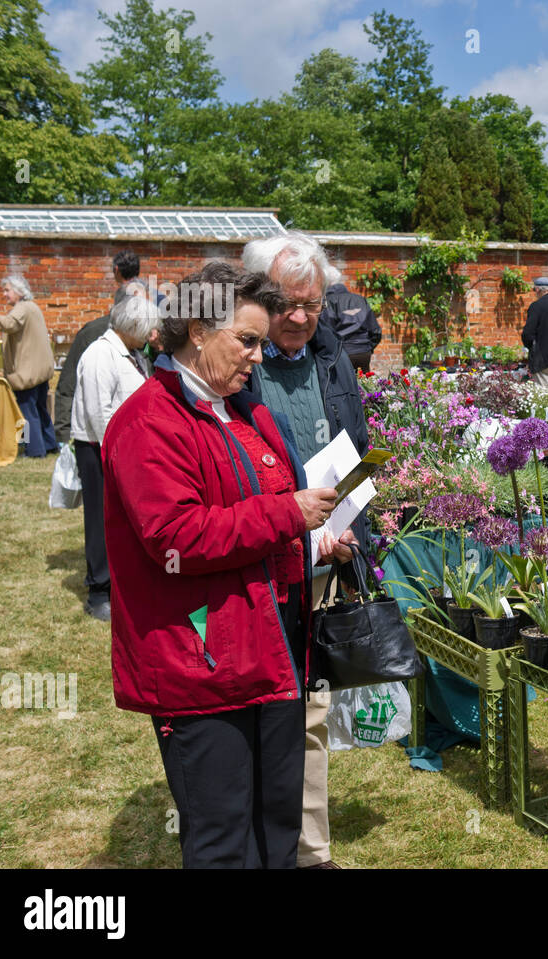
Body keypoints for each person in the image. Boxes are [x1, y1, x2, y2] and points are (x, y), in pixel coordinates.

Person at [104, 263, 349, 868]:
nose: (259, 358)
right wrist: (288, 517)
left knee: (275, 826)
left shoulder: (244, 412)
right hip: (202, 665)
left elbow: (258, 517)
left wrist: (314, 542)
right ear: (195, 330)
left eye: (260, 342)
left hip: (272, 652)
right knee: (223, 841)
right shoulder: (147, 423)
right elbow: (176, 538)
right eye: (247, 340)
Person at [242, 230, 364, 871]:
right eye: (287, 303)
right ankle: (254, 841)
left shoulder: (330, 357)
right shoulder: (236, 363)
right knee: (256, 712)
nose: (298, 317)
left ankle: (309, 853)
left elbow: (358, 446)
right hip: (254, 562)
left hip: (322, 560)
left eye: (312, 304)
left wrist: (349, 526)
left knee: (312, 710)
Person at [71, 294, 160, 622]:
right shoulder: (100, 354)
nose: (153, 335)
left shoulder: (132, 353)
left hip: (125, 450)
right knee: (99, 519)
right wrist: (115, 454)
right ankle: (98, 590)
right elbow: (99, 411)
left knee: (122, 520)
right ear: (134, 326)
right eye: (148, 328)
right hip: (100, 449)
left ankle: (120, 582)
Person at [0, 275, 58, 457]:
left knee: (26, 413)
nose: (4, 294)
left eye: (7, 290)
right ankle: (50, 444)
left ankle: (34, 450)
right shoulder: (32, 307)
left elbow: (8, 324)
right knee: (41, 409)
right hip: (40, 371)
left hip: (27, 374)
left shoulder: (22, 308)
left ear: (19, 292)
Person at [56, 282, 150, 438]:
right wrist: (63, 431)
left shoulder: (136, 344)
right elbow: (69, 384)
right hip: (100, 439)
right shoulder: (93, 337)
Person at [318, 275, 381, 375]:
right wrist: (367, 347)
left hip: (340, 354)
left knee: (342, 387)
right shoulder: (360, 299)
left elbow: (325, 332)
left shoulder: (327, 301)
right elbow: (375, 331)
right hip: (364, 352)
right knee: (365, 386)